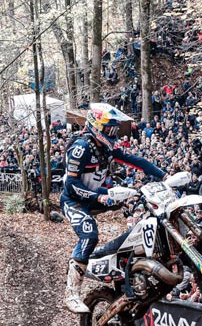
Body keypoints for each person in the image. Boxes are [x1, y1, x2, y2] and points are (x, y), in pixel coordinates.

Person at [61, 103, 165, 313]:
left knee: (137, 198)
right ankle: (71, 293)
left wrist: (164, 175)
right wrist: (99, 197)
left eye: (115, 130)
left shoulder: (106, 146)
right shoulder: (81, 148)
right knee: (89, 235)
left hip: (97, 194)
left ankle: (124, 259)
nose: (113, 134)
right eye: (109, 130)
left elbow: (135, 160)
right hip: (74, 200)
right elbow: (71, 184)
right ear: (97, 126)